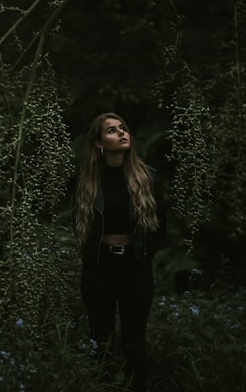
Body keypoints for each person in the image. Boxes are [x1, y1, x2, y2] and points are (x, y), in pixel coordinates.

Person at [73, 112, 167, 391]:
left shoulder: (148, 177)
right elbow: (79, 226)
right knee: (100, 341)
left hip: (135, 267)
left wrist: (143, 254)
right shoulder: (88, 182)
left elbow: (160, 228)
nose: (122, 133)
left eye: (123, 128)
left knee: (134, 342)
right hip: (99, 268)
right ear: (99, 143)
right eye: (112, 130)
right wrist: (90, 258)